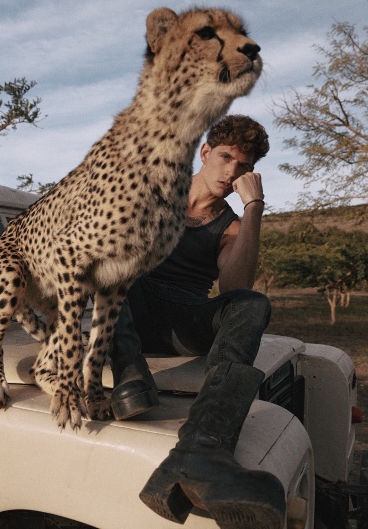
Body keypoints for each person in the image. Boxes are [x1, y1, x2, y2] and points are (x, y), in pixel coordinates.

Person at [108, 115, 286, 525]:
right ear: (205, 152)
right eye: (225, 158)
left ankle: (202, 449)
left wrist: (254, 207)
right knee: (115, 269)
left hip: (183, 317)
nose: (230, 172)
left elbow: (234, 287)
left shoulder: (231, 224)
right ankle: (129, 374)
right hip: (127, 306)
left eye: (242, 166)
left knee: (252, 303)